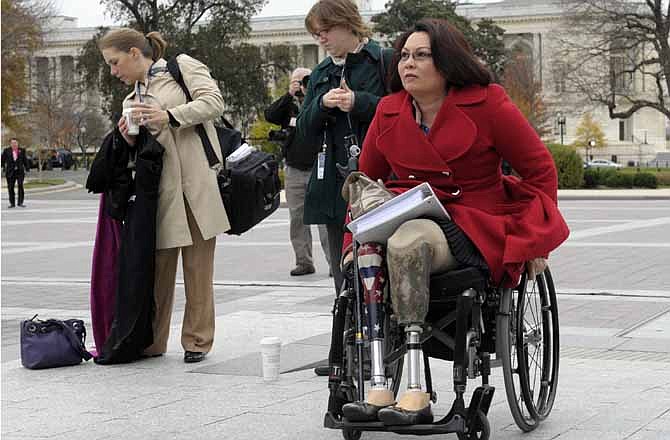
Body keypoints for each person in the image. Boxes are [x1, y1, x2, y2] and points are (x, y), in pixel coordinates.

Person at [339, 19, 569, 425]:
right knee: (368, 248)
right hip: (402, 211)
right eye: (404, 55)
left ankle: (415, 391)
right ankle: (377, 381)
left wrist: (537, 245)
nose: (408, 63)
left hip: (469, 222)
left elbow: (540, 170)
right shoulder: (389, 110)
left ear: (447, 62)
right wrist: (349, 243)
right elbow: (365, 187)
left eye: (421, 55)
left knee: (408, 241)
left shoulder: (488, 103)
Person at [98, 28, 230, 363]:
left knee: (198, 270)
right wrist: (127, 138)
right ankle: (153, 342)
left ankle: (197, 341)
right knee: (157, 271)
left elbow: (214, 102)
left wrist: (170, 116)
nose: (114, 71)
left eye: (115, 63)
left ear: (133, 52)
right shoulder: (131, 101)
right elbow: (135, 156)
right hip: (156, 195)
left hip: (196, 185)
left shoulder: (181, 67)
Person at [295, 0, 392, 293]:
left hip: (381, 181)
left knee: (384, 269)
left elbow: (403, 113)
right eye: (316, 34)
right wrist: (321, 105)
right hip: (334, 186)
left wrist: (358, 102)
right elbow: (303, 131)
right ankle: (349, 335)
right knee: (344, 278)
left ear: (347, 23)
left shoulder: (384, 61)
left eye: (325, 30)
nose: (320, 39)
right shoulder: (321, 72)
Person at [264, 68, 332, 277]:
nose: (301, 85)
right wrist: (289, 95)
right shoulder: (288, 105)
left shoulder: (319, 101)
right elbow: (270, 115)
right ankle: (304, 261)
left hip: (318, 168)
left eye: (304, 81)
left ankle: (335, 263)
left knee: (325, 219)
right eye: (296, 81)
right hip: (294, 167)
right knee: (297, 218)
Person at [2, 138, 30, 208]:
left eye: (15, 143)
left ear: (18, 143)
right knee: (10, 187)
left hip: (19, 171)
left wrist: (27, 168)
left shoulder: (22, 150)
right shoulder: (6, 151)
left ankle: (20, 202)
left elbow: (25, 160)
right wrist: (3, 167)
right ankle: (12, 203)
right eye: (12, 143)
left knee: (20, 185)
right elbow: (2, 160)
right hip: (10, 172)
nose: (14, 144)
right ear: (10, 144)